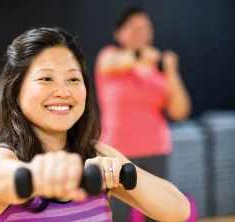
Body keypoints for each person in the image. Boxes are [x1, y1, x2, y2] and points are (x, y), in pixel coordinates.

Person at [0, 27, 190, 222]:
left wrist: (120, 171)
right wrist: (39, 175)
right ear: (15, 92)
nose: (64, 92)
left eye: (73, 79)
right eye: (46, 79)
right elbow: (1, 178)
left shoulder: (96, 153)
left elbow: (178, 210)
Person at [94, 7, 192, 222]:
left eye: (145, 28)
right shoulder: (109, 57)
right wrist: (147, 56)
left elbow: (180, 111)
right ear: (119, 33)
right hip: (117, 152)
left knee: (158, 215)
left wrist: (170, 70)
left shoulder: (159, 69)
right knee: (116, 215)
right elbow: (117, 63)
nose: (141, 33)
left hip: (156, 150)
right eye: (134, 27)